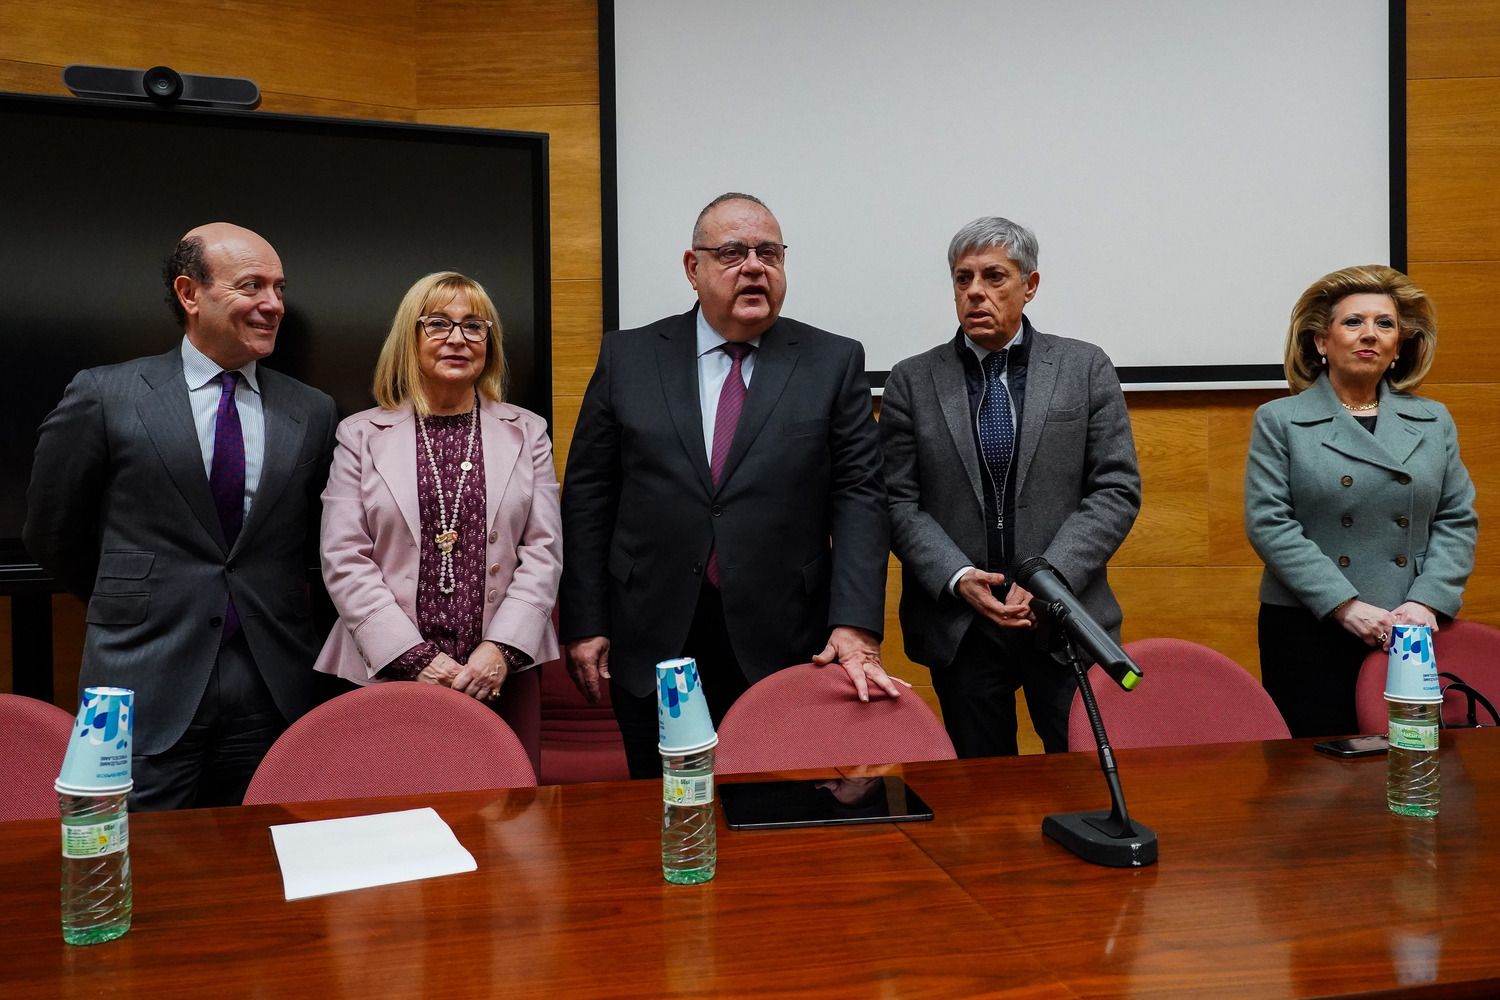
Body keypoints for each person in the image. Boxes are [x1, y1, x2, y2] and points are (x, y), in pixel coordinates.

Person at [560, 192, 900, 778]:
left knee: (779, 810)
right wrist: (585, 620)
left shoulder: (831, 361)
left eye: (769, 253)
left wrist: (855, 623)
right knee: (666, 801)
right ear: (693, 269)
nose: (754, 267)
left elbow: (861, 497)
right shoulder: (629, 357)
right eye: (733, 253)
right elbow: (590, 493)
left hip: (787, 636)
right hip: (652, 631)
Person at [24, 222, 339, 809]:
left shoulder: (313, 411)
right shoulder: (105, 395)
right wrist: (132, 602)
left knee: (271, 867)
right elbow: (51, 532)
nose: (273, 304)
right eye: (252, 286)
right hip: (142, 678)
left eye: (279, 287)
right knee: (143, 866)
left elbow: (319, 545)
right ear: (189, 293)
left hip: (273, 687)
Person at [882, 216, 1141, 757]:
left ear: (1030, 285)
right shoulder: (911, 380)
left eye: (994, 276)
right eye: (963, 279)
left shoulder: (1084, 366)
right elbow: (897, 500)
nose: (976, 291)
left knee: (1082, 777)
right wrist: (956, 577)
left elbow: (1115, 488)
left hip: (1064, 619)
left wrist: (1052, 578)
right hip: (963, 626)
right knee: (981, 796)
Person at [313, 272, 561, 776]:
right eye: (438, 324)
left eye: (474, 326)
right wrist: (414, 657)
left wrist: (500, 651)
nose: (457, 339)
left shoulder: (527, 432)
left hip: (500, 676)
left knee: (504, 828)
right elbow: (343, 557)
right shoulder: (359, 435)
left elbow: (543, 551)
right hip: (385, 671)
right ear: (411, 337)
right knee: (391, 824)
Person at [1245, 265, 1477, 738]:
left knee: (1413, 756)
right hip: (1311, 626)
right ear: (1321, 342)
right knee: (1316, 778)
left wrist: (1426, 602)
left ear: (1398, 346)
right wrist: (1345, 606)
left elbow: (1457, 519)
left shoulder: (1433, 419)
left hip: (1410, 624)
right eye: (1353, 322)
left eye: (1384, 324)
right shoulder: (1279, 420)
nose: (1369, 334)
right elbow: (1270, 523)